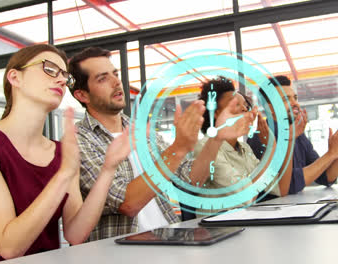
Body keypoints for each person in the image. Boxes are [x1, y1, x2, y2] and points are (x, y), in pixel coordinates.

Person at [68, 48, 253, 240]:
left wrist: (217, 138)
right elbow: (127, 203)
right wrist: (177, 148)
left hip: (170, 239)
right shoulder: (79, 140)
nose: (117, 82)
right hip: (123, 253)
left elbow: (193, 179)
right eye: (102, 78)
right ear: (82, 95)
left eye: (115, 74)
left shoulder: (140, 130)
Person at [0, 44, 132, 263]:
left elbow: (76, 233)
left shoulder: (61, 152)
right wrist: (63, 175)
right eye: (49, 69)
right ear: (15, 77)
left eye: (65, 76)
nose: (61, 80)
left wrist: (108, 168)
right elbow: (9, 247)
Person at [247, 75, 338, 194]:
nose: (295, 103)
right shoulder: (261, 138)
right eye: (286, 99)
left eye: (295, 98)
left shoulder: (299, 135)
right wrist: (331, 154)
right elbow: (287, 185)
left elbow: (325, 177)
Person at [193, 77, 294, 214]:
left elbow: (274, 187)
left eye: (245, 105)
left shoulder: (244, 148)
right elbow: (246, 195)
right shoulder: (205, 148)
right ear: (216, 113)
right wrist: (271, 149)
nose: (245, 109)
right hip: (218, 229)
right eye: (235, 104)